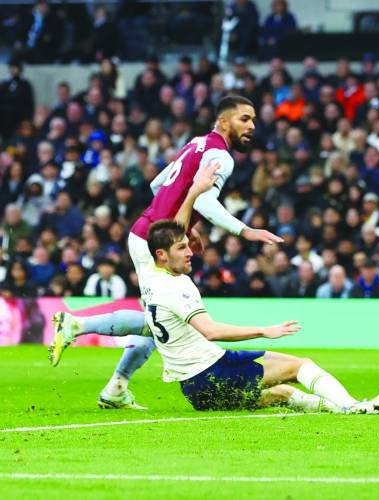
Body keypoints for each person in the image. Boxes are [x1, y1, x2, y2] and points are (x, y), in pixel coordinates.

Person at [49, 95, 284, 410]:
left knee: (159, 321)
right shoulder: (221, 157)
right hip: (155, 241)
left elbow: (157, 185)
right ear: (224, 121)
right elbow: (201, 200)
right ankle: (77, 326)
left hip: (149, 233)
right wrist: (245, 230)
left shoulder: (195, 144)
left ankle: (115, 388)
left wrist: (187, 229)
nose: (252, 126)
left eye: (254, 119)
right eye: (245, 119)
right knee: (161, 320)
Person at [142, 219, 379, 414]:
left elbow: (163, 230)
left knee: (284, 393)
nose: (190, 251)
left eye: (187, 245)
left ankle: (344, 407)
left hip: (194, 390)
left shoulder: (149, 277)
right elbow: (210, 331)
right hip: (214, 373)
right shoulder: (178, 285)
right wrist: (264, 330)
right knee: (300, 365)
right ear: (162, 255)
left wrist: (193, 194)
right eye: (181, 247)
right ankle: (352, 406)